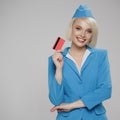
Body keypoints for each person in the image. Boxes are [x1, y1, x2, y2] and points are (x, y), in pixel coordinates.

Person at [48, 5, 112, 120]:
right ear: (71, 29)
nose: (82, 35)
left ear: (92, 35)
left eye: (88, 31)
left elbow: (105, 90)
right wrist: (58, 69)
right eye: (78, 28)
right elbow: (56, 100)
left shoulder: (101, 56)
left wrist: (72, 105)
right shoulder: (55, 59)